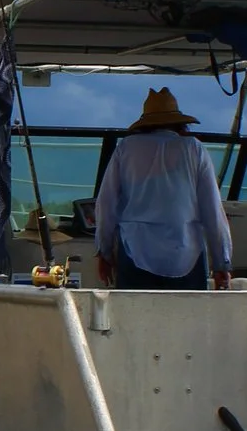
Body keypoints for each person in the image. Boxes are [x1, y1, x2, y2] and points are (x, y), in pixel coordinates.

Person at [93, 87, 233, 290]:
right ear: (180, 123)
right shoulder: (194, 149)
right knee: (186, 319)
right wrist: (222, 263)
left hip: (135, 251)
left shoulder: (126, 148)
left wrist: (104, 252)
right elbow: (212, 210)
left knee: (135, 319)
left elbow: (106, 204)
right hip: (186, 254)